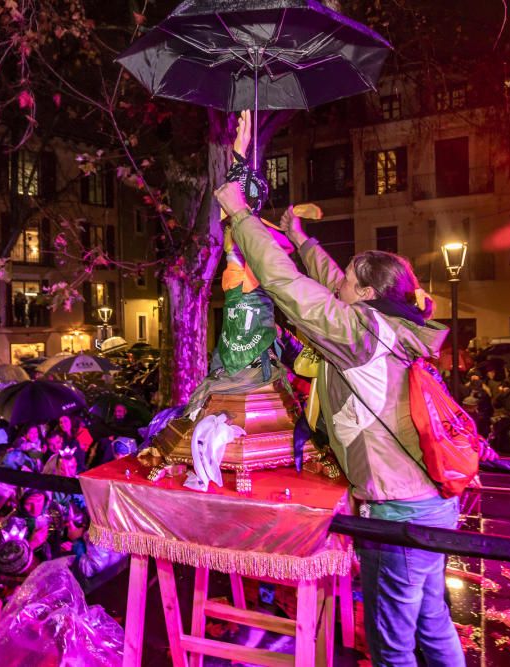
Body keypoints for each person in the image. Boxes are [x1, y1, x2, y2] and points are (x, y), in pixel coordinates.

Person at [215, 115, 464, 665]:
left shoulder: (358, 334)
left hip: (400, 512)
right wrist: (302, 240)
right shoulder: (393, 323)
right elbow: (327, 280)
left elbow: (287, 287)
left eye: (352, 279)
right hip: (434, 503)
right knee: (432, 620)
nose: (341, 284)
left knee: (391, 639)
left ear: (369, 292)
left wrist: (238, 213)